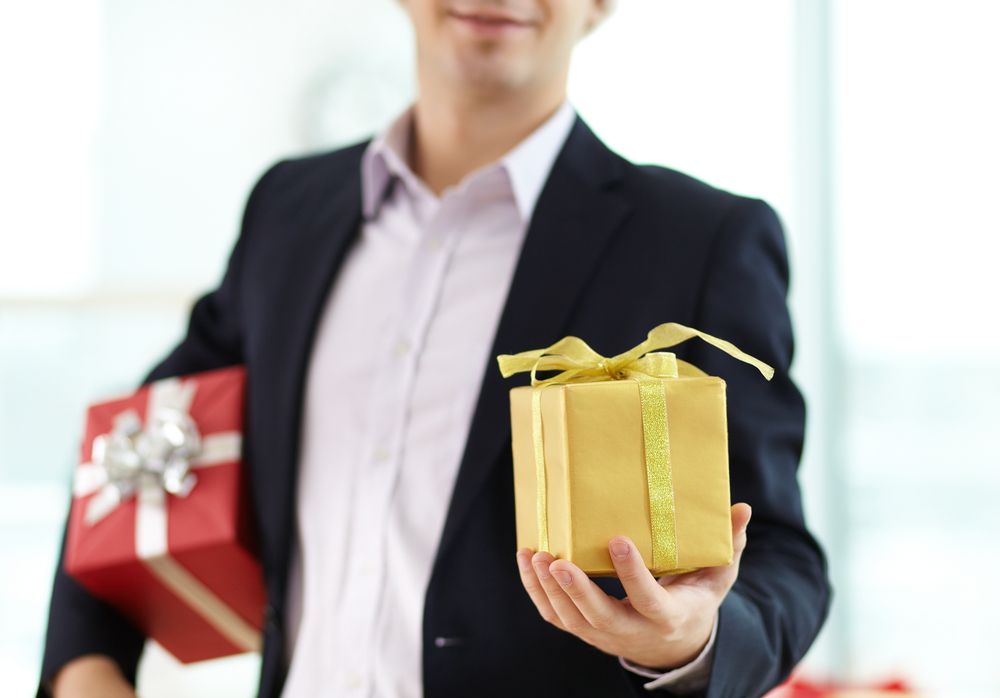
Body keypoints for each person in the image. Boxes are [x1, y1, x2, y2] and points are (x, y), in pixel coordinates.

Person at [39, 1, 831, 696]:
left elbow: (784, 559)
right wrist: (85, 668)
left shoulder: (697, 242)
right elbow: (124, 452)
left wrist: (689, 641)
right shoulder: (289, 211)